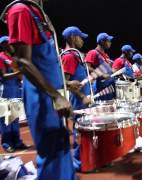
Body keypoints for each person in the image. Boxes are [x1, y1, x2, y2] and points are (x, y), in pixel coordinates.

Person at [2, 0, 77, 179]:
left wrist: (65, 85)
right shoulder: (20, 10)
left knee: (62, 148)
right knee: (52, 151)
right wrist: (56, 96)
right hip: (42, 95)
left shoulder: (34, 11)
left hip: (51, 93)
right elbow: (24, 62)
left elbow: (44, 60)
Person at [60, 26, 91, 171]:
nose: (82, 41)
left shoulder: (75, 55)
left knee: (86, 130)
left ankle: (86, 158)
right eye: (80, 37)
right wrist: (83, 96)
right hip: (78, 101)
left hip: (83, 100)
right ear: (73, 38)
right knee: (80, 130)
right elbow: (65, 82)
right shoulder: (68, 56)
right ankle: (79, 162)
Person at [0, 36, 29, 153]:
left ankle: (17, 141)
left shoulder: (14, 58)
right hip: (5, 89)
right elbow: (3, 76)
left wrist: (21, 74)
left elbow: (20, 76)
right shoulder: (1, 57)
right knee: (6, 118)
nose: (12, 45)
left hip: (16, 88)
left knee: (15, 117)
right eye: (9, 43)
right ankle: (7, 143)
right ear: (4, 45)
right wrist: (19, 72)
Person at [85, 32, 114, 100]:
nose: (110, 43)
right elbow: (86, 67)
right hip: (99, 87)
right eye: (108, 41)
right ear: (102, 42)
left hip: (108, 87)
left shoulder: (106, 56)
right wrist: (102, 75)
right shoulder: (93, 52)